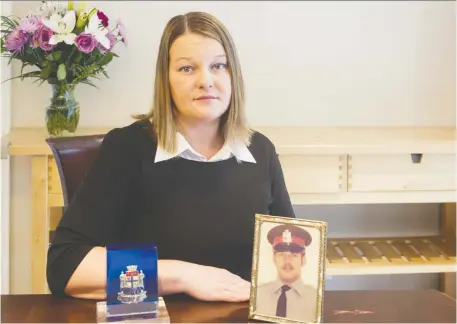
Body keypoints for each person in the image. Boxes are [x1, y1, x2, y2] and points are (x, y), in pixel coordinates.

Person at [46, 11, 295, 302]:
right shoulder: (127, 148)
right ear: (166, 79)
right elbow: (66, 264)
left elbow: (292, 258)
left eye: (219, 65)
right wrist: (184, 276)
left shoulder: (260, 150)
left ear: (234, 75)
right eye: (187, 69)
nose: (206, 81)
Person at [255, 224, 317, 322]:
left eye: (294, 255)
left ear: (303, 259)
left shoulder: (316, 300)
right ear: (274, 259)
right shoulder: (256, 295)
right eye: (281, 254)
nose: (287, 260)